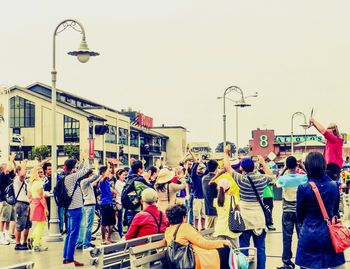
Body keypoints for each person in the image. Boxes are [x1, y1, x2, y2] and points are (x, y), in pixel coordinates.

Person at [224, 145, 275, 269]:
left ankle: (244, 267)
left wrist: (226, 152)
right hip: (259, 219)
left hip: (245, 218)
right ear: (254, 167)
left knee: (244, 247)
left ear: (242, 168)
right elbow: (272, 177)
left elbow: (227, 167)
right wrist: (263, 163)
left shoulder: (240, 179)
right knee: (261, 248)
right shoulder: (262, 179)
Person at [296, 152, 346, 269]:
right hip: (330, 235)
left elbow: (299, 215)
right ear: (324, 165)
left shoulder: (303, 188)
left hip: (309, 234)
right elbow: (335, 213)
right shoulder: (334, 186)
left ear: (307, 167)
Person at [164, 204, 231, 269]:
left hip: (176, 262)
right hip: (191, 262)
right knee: (224, 250)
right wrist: (222, 242)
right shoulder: (184, 227)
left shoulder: (168, 231)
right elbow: (204, 244)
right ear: (183, 217)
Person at [276, 156, 308, 269]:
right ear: (296, 165)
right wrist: (303, 165)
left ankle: (287, 262)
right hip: (300, 212)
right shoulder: (302, 178)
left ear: (287, 166)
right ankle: (303, 263)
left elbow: (277, 181)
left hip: (287, 212)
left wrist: (284, 168)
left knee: (287, 238)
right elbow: (311, 177)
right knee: (302, 237)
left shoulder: (284, 179)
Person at [62, 154, 90, 267]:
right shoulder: (72, 177)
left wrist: (82, 161)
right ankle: (69, 259)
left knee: (69, 234)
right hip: (75, 209)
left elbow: (81, 170)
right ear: (72, 168)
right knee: (74, 234)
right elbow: (86, 170)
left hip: (70, 209)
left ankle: (66, 257)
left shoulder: (68, 176)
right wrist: (87, 158)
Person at [310, 117, 343, 182]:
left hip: (332, 167)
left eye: (329, 130)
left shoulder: (335, 140)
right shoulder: (330, 142)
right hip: (330, 168)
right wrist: (314, 124)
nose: (327, 131)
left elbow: (323, 131)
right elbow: (322, 132)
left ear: (334, 131)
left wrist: (314, 121)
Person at [28, 161, 50, 252]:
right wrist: (46, 208)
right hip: (39, 204)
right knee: (41, 224)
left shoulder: (32, 183)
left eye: (42, 171)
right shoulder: (39, 183)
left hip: (34, 203)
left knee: (39, 224)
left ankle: (34, 239)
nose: (42, 173)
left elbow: (31, 195)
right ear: (36, 174)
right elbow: (41, 197)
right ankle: (36, 243)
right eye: (40, 172)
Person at [213, 178, 240, 248]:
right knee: (235, 250)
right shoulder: (234, 198)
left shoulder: (215, 201)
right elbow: (238, 211)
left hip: (220, 227)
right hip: (231, 227)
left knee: (220, 251)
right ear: (229, 188)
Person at [76, 170, 99, 251]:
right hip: (89, 205)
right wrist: (91, 171)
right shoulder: (84, 181)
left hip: (87, 205)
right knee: (88, 226)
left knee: (83, 225)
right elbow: (95, 176)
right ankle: (86, 244)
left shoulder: (85, 183)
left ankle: (80, 243)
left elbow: (95, 180)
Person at [125, 160, 154, 225]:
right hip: (139, 207)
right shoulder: (140, 180)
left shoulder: (130, 178)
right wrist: (147, 179)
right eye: (143, 167)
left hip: (131, 206)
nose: (144, 169)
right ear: (139, 169)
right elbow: (152, 190)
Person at [13, 161, 31, 251]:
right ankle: (17, 243)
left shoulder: (23, 181)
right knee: (19, 224)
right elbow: (22, 174)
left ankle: (24, 242)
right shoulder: (18, 179)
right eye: (24, 170)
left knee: (27, 225)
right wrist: (24, 164)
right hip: (20, 204)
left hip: (26, 204)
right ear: (19, 171)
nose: (25, 172)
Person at [0, 152, 16, 245]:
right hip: (4, 200)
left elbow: (13, 169)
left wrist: (13, 161)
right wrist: (11, 158)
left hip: (9, 200)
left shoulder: (8, 177)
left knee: (8, 219)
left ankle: (6, 236)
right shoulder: (2, 176)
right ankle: (1, 237)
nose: (8, 169)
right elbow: (8, 169)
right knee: (3, 219)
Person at [191, 156, 208, 231]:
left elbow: (208, 170)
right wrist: (197, 162)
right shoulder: (194, 177)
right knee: (196, 216)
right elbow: (193, 170)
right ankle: (196, 227)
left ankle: (203, 228)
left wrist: (204, 162)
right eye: (199, 169)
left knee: (203, 215)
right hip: (197, 198)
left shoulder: (204, 177)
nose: (201, 170)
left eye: (202, 169)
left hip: (204, 199)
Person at [202, 160, 219, 229]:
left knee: (209, 233)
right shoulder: (218, 179)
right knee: (218, 234)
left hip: (208, 210)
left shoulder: (204, 178)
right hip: (218, 211)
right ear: (217, 168)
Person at [115, 169, 127, 238]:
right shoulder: (118, 183)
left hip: (124, 202)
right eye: (123, 175)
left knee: (122, 218)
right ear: (119, 175)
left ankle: (121, 230)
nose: (124, 176)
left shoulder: (124, 182)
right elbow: (121, 192)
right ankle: (120, 232)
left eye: (125, 175)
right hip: (119, 202)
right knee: (120, 218)